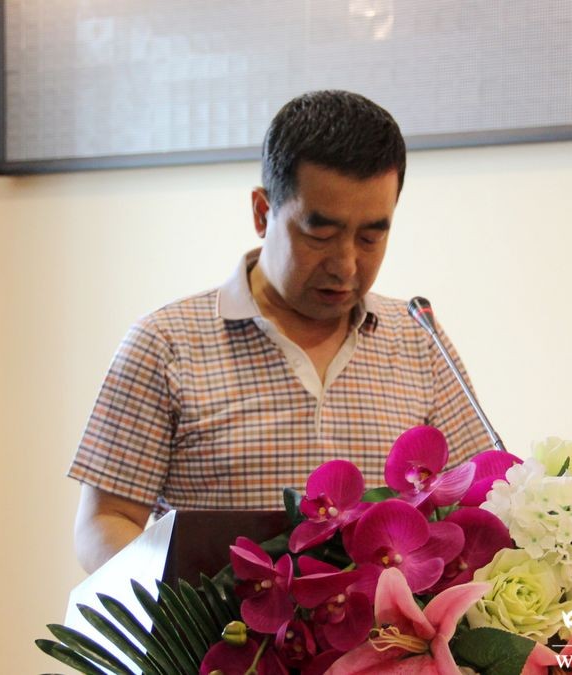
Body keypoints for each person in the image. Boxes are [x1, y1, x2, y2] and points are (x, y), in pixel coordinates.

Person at [69, 90, 491, 573]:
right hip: (224, 621)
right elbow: (105, 520)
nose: (346, 264)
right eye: (320, 234)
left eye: (371, 237)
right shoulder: (167, 345)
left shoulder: (417, 341)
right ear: (261, 212)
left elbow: (480, 498)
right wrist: (176, 609)